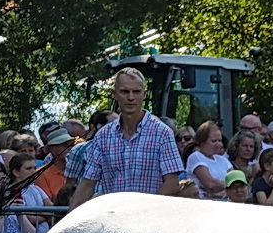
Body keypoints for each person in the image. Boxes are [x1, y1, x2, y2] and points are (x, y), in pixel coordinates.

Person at [69, 69, 190, 206]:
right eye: (125, 92)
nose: (131, 97)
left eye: (136, 92)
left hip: (147, 220)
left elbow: (172, 183)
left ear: (144, 94)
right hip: (113, 219)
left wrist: (142, 210)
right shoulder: (103, 136)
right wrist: (67, 222)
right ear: (114, 94)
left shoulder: (162, 133)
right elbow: (87, 183)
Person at [184, 122, 233, 200]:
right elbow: (210, 184)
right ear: (202, 141)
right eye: (214, 141)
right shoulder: (196, 157)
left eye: (220, 141)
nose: (218, 144)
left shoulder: (223, 160)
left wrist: (220, 193)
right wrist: (230, 187)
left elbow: (237, 181)